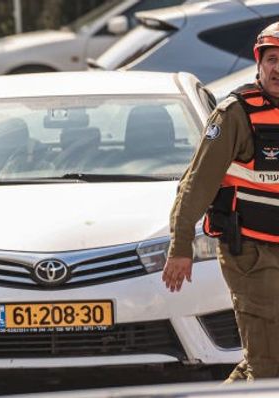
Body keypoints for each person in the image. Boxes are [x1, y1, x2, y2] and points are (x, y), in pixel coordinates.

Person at [163, 22, 279, 382]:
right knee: (268, 364)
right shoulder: (235, 115)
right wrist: (180, 244)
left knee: (265, 364)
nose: (278, 69)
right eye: (272, 59)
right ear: (258, 65)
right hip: (252, 253)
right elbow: (196, 184)